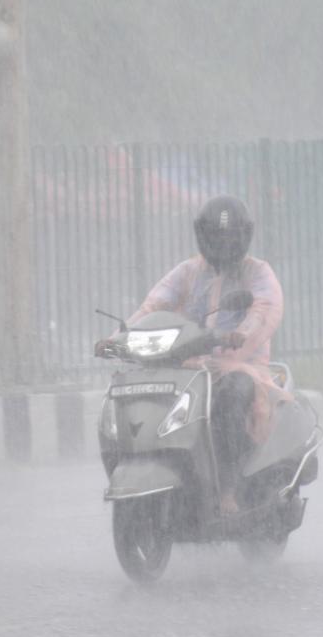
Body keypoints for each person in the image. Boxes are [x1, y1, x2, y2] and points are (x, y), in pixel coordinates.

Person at [95, 194, 288, 516]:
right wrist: (117, 340)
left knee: (230, 398)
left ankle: (227, 487)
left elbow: (265, 310)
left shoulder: (258, 273)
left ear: (244, 236)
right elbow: (152, 307)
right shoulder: (187, 272)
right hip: (187, 367)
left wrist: (240, 336)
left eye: (230, 236)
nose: (223, 243)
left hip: (241, 367)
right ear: (202, 235)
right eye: (216, 235)